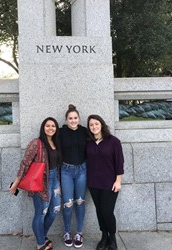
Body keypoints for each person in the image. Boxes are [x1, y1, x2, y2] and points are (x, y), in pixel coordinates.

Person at [10, 117, 61, 250]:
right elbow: (25, 163)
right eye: (48, 126)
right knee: (41, 213)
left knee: (55, 210)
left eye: (53, 126)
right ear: (43, 128)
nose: (50, 128)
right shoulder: (36, 143)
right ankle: (40, 244)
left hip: (55, 179)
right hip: (41, 182)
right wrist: (16, 183)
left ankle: (41, 236)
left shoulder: (56, 142)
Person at [86, 115, 124, 250]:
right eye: (91, 125)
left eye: (96, 124)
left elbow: (119, 163)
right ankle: (104, 237)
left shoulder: (113, 142)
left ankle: (112, 238)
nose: (94, 127)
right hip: (93, 183)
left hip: (110, 183)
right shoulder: (88, 142)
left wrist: (118, 181)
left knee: (107, 211)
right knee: (99, 211)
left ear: (101, 124)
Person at [60, 104, 88, 248]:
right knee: (68, 204)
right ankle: (66, 232)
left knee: (80, 202)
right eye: (70, 118)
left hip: (82, 170)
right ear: (66, 120)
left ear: (79, 118)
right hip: (66, 171)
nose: (73, 120)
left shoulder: (84, 131)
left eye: (75, 118)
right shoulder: (61, 132)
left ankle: (78, 233)